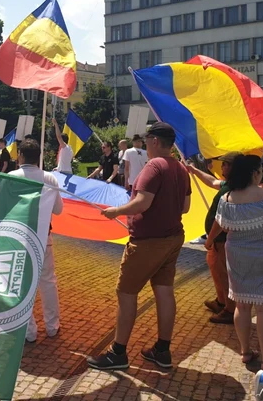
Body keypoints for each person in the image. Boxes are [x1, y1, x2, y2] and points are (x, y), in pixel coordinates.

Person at [87, 123, 191, 370]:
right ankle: (162, 351)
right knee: (164, 292)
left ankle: (118, 353)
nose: (145, 143)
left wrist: (116, 212)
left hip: (147, 242)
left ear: (155, 140)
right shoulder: (180, 169)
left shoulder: (153, 166)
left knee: (126, 293)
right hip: (173, 238)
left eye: (147, 139)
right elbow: (185, 207)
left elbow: (142, 202)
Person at [213, 154, 263, 372]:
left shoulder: (226, 200)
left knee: (242, 306)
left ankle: (245, 352)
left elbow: (224, 228)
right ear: (255, 173)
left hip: (236, 256)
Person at [8, 139, 64, 342]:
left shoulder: (11, 177)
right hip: (43, 236)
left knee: (21, 285)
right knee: (48, 282)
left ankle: (29, 331)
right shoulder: (49, 178)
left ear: (20, 156)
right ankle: (52, 326)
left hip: (18, 236)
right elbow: (58, 210)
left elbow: (2, 205)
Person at [189, 152, 241, 325]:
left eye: (226, 163)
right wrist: (194, 170)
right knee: (216, 270)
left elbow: (222, 222)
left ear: (234, 168)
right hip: (218, 241)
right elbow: (211, 181)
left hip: (221, 240)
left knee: (223, 274)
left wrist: (210, 239)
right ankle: (221, 301)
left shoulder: (234, 189)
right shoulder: (229, 185)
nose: (223, 166)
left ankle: (229, 309)